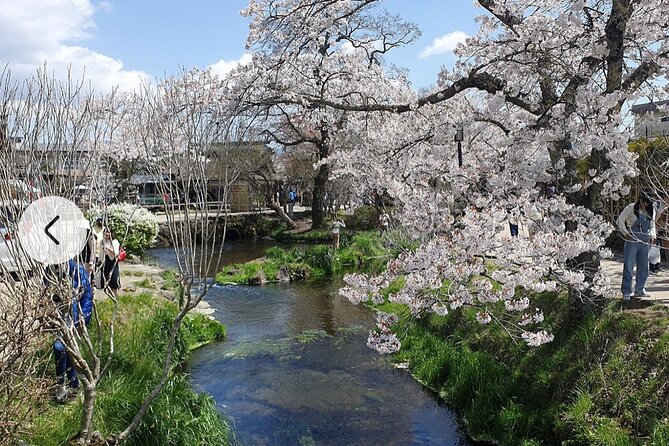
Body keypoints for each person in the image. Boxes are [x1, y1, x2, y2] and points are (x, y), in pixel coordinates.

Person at [53, 258, 94, 403]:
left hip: (74, 318)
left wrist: (84, 319)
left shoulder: (78, 271)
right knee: (60, 349)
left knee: (71, 352)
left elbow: (87, 296)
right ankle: (62, 384)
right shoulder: (50, 271)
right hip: (58, 318)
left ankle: (73, 385)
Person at [617, 190, 657, 300]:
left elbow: (653, 224)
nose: (645, 204)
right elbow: (619, 221)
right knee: (629, 266)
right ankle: (626, 291)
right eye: (644, 201)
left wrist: (652, 235)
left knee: (644, 267)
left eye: (648, 202)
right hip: (632, 241)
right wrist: (625, 233)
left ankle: (640, 289)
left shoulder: (651, 210)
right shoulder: (630, 208)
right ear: (640, 199)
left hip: (644, 242)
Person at [100, 227, 121, 297]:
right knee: (106, 282)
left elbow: (116, 253)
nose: (106, 234)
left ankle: (116, 297)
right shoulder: (102, 241)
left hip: (113, 263)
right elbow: (101, 253)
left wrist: (108, 249)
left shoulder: (114, 242)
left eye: (108, 232)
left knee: (114, 282)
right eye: (105, 232)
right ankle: (110, 297)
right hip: (105, 263)